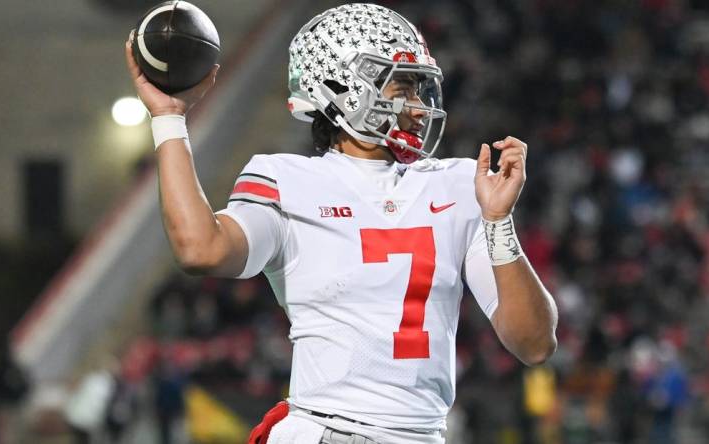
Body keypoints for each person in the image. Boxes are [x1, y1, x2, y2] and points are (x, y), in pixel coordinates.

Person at [125, 3, 558, 443]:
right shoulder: (287, 179)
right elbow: (201, 249)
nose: (417, 107)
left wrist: (499, 221)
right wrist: (169, 118)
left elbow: (535, 343)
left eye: (418, 89)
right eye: (401, 87)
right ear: (343, 86)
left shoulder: (459, 183)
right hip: (327, 430)